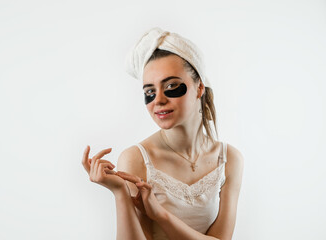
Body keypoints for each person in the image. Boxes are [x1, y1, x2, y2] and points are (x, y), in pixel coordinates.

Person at [82, 27, 244, 240]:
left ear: (199, 88)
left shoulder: (229, 159)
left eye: (171, 86)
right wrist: (120, 193)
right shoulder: (136, 159)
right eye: (150, 91)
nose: (158, 100)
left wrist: (161, 215)